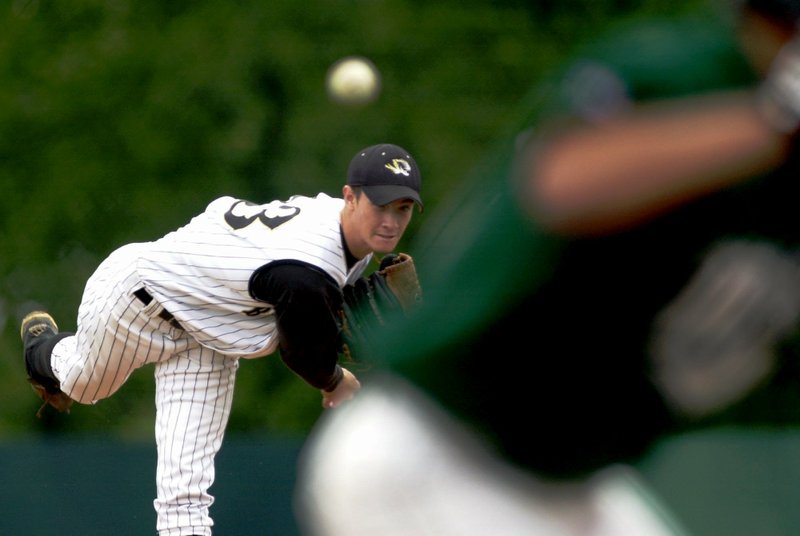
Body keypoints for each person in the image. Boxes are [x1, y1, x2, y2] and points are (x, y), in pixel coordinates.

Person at [294, 1, 800, 534]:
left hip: (575, 483)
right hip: (435, 456)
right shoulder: (691, 67)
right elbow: (563, 177)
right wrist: (778, 119)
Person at [18, 142, 423, 536]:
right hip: (136, 299)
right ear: (350, 197)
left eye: (402, 209)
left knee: (186, 496)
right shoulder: (307, 268)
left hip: (209, 338)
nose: (390, 221)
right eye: (380, 206)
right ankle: (42, 347)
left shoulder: (350, 239)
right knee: (83, 383)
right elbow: (300, 352)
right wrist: (335, 381)